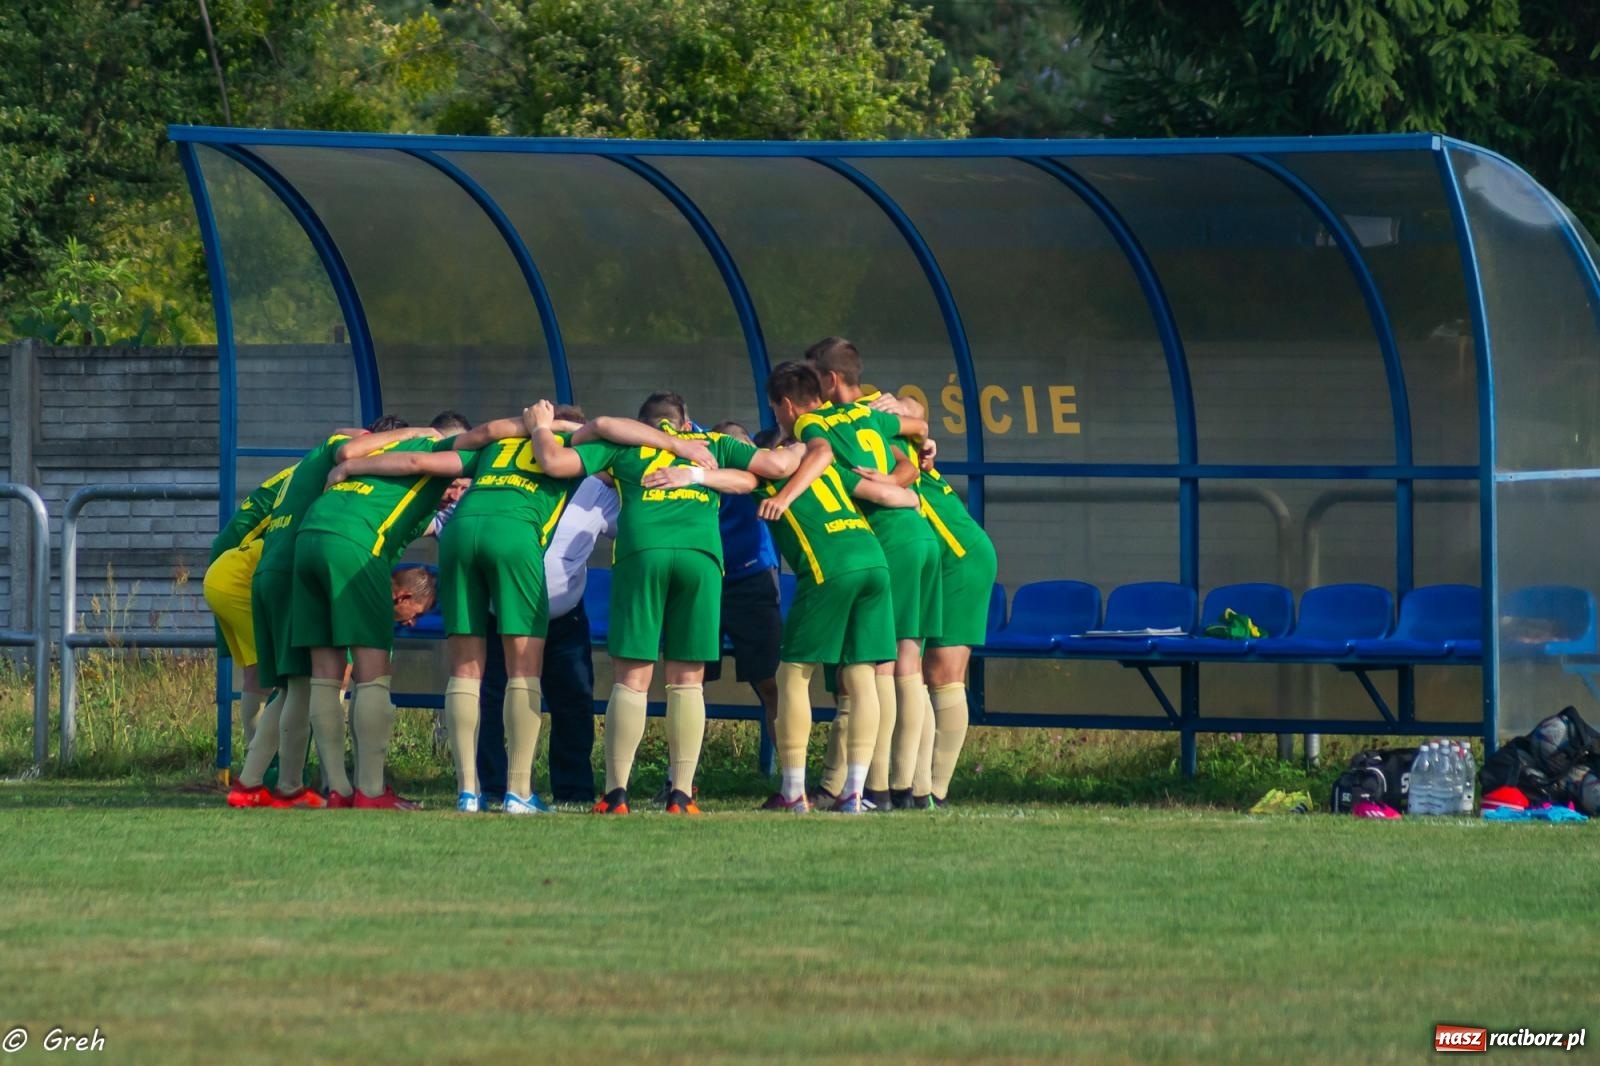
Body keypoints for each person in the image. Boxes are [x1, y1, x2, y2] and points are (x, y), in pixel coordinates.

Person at [529, 392, 802, 814]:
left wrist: (543, 427)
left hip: (643, 553)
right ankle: (682, 794)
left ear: (643, 424)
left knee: (632, 678)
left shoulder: (623, 447)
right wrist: (804, 443)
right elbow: (765, 472)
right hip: (701, 557)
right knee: (688, 679)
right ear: (686, 421)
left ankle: (616, 794)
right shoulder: (713, 444)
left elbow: (556, 461)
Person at [331, 408, 608, 815]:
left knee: (465, 672)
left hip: (461, 532)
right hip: (512, 533)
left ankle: (468, 791)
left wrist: (350, 466)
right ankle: (518, 792)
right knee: (523, 671)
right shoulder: (573, 448)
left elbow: (418, 460)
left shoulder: (494, 446)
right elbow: (605, 438)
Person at [291, 411, 523, 809]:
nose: (456, 492)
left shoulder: (384, 451)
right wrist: (536, 423)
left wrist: (351, 466)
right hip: (356, 542)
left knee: (325, 674)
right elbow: (432, 455)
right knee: (373, 674)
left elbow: (344, 445)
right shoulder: (434, 449)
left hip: (310, 536)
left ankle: (338, 789)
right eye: (456, 481)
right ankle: (370, 791)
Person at [226, 416, 436, 809]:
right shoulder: (343, 447)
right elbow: (351, 449)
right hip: (292, 566)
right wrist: (416, 434)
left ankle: (281, 783)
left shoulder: (314, 462)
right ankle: (266, 782)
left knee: (295, 685)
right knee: (300, 686)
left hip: (272, 565)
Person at [745, 363, 919, 812]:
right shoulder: (842, 455)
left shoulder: (797, 445)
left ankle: (792, 791)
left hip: (831, 568)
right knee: (862, 675)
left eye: (775, 409)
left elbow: (795, 457)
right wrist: (904, 484)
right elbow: (899, 493)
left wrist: (701, 475)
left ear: (786, 406)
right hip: (874, 560)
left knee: (792, 674)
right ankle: (855, 793)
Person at [800, 337, 937, 810]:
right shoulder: (873, 415)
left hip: (888, 539)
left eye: (812, 379)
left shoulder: (824, 424)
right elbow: (917, 435)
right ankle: (911, 789)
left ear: (829, 380)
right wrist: (903, 478)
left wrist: (890, 487)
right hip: (918, 535)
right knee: (908, 660)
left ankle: (876, 786)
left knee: (879, 663)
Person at [703, 421, 783, 770]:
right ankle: (679, 782)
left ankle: (791, 778)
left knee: (770, 683)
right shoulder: (697, 475)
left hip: (753, 580)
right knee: (689, 680)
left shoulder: (761, 472)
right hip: (707, 580)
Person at [205, 462, 297, 754]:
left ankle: (257, 758)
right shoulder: (332, 467)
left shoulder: (308, 466)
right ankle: (267, 761)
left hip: (229, 562)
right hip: (241, 571)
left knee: (257, 671)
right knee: (283, 673)